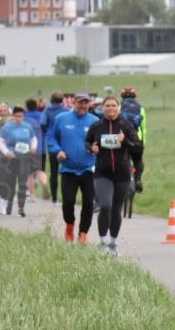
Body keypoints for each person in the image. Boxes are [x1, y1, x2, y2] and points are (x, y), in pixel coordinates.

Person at [87, 96, 143, 255]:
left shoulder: (126, 125)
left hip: (122, 173)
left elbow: (137, 147)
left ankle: (113, 243)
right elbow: (87, 142)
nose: (110, 108)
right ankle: (102, 242)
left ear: (118, 108)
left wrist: (124, 141)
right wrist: (91, 148)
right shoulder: (96, 126)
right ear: (102, 108)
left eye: (113, 105)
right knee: (105, 206)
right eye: (107, 105)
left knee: (116, 209)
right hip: (102, 173)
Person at [48, 93, 100, 243]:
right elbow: (51, 138)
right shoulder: (61, 119)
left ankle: (83, 233)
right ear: (73, 103)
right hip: (68, 169)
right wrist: (58, 150)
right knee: (68, 202)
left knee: (88, 203)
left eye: (85, 103)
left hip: (88, 169)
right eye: (80, 103)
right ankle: (69, 225)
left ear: (89, 104)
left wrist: (97, 148)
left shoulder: (95, 121)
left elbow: (101, 141)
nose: (83, 106)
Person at [0, 107, 38, 217]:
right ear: (13, 116)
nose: (19, 117)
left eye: (21, 115)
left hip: (24, 159)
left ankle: (21, 208)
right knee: (11, 183)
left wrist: (33, 147)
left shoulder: (28, 126)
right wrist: (6, 152)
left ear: (23, 116)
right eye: (17, 115)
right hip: (11, 159)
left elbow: (34, 138)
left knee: (23, 184)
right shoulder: (8, 127)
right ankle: (9, 204)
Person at [41, 92, 68, 205]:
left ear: (51, 99)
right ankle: (66, 197)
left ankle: (54, 198)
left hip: (53, 143)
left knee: (53, 172)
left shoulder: (47, 110)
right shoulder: (66, 111)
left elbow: (42, 123)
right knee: (66, 171)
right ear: (62, 100)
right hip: (65, 143)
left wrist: (47, 131)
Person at [120, 87, 146, 191]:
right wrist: (143, 142)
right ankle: (138, 179)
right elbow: (143, 127)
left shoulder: (119, 106)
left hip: (122, 139)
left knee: (121, 159)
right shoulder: (140, 107)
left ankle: (121, 180)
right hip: (137, 139)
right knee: (138, 160)